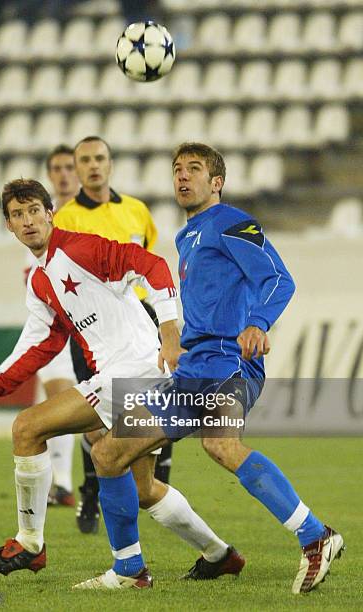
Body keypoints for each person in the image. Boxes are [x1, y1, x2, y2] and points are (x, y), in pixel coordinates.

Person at [65, 142, 343, 593]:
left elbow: (278, 277)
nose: (182, 176)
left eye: (194, 169)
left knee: (219, 443)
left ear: (216, 183)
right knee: (108, 453)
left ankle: (316, 537)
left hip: (229, 365)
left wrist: (257, 322)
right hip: (191, 371)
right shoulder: (185, 236)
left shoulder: (232, 222)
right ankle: (129, 571)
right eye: (177, 169)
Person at [0, 178, 244, 587]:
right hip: (136, 374)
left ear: (49, 212)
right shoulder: (40, 281)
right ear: (8, 225)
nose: (28, 221)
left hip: (134, 370)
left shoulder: (81, 249)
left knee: (27, 428)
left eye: (34, 210)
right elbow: (39, 345)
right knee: (143, 488)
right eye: (17, 215)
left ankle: (30, 544)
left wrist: (169, 333)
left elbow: (154, 266)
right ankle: (219, 554)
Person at [53, 136, 174, 532]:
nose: (92, 166)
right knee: (95, 419)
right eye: (84, 160)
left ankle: (155, 481)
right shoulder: (66, 218)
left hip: (140, 322)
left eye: (99, 158)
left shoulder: (137, 211)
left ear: (110, 163)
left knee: (149, 407)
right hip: (92, 329)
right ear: (76, 167)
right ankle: (91, 489)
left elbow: (149, 264)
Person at [26, 145, 80, 507]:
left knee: (97, 411)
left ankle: (91, 484)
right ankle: (62, 483)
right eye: (56, 168)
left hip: (92, 328)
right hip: (54, 330)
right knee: (59, 399)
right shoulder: (36, 221)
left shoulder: (89, 218)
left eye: (68, 167)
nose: (63, 174)